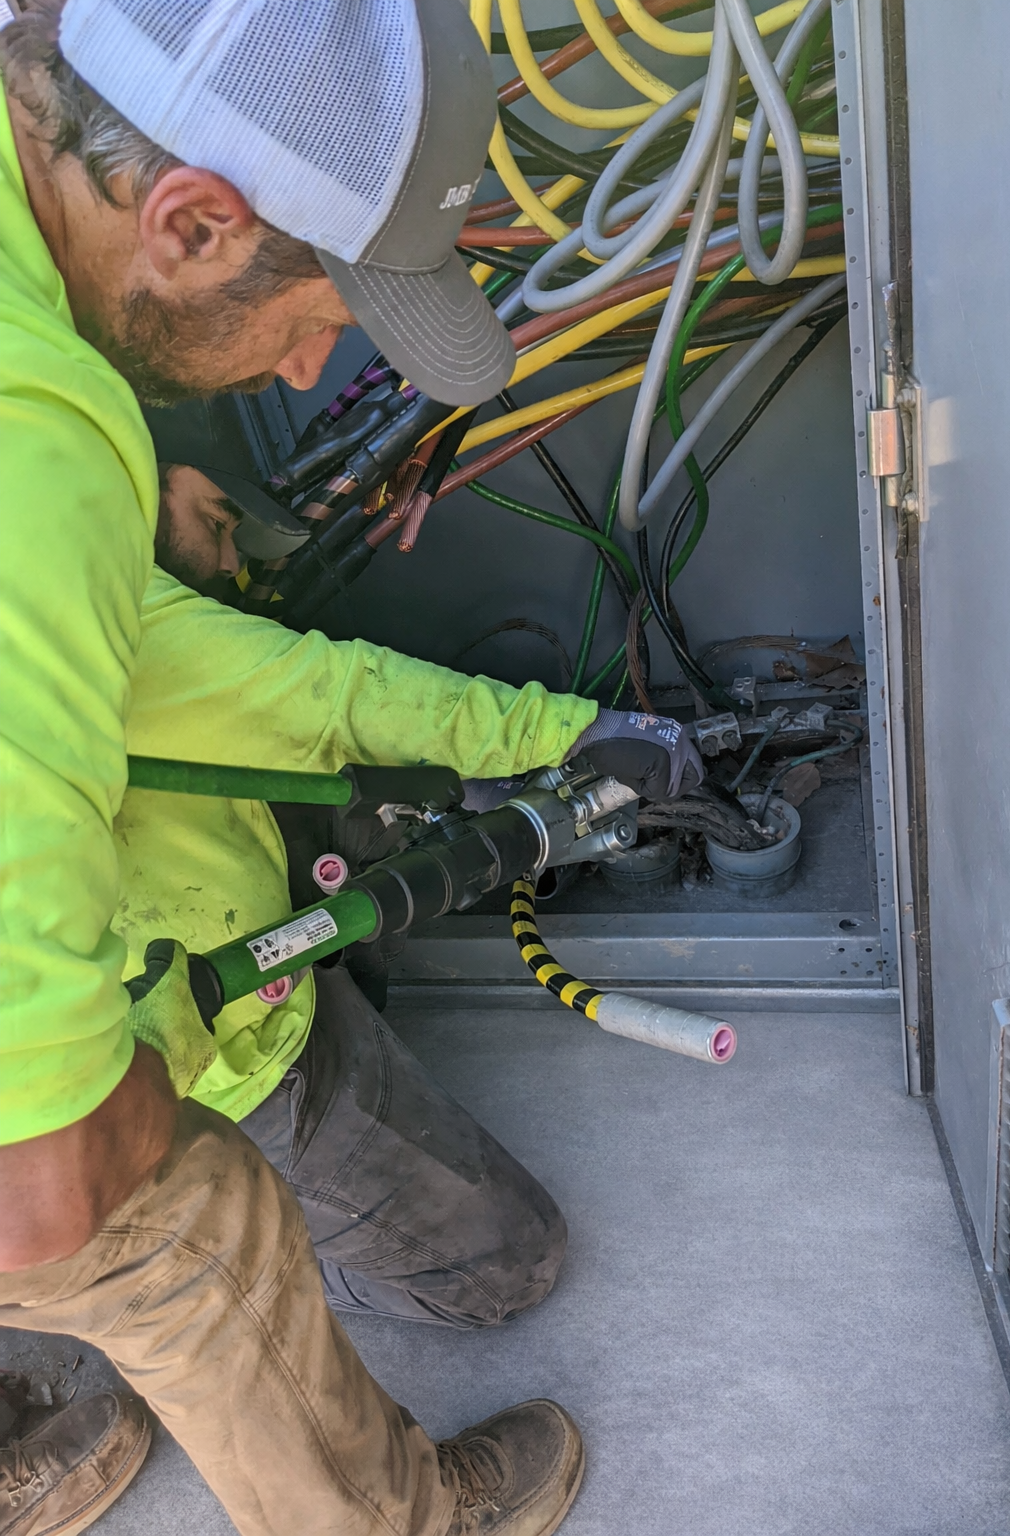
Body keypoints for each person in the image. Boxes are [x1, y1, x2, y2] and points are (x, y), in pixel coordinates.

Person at [0, 4, 691, 1533]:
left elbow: (200, 683)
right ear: (189, 220)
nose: (320, 362)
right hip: (158, 1003)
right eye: (321, 314)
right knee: (185, 1221)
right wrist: (74, 1126)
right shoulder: (33, 444)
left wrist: (540, 739)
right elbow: (37, 1169)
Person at [110, 460, 702, 1333]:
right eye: (218, 516)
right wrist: (576, 732)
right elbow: (326, 693)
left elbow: (254, 717)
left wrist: (467, 786)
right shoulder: (104, 608)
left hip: (237, 930)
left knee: (390, 814)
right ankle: (231, 1261)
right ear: (136, 483)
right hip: (215, 1061)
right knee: (508, 1261)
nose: (232, 558)